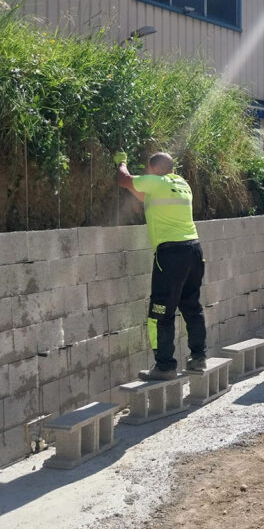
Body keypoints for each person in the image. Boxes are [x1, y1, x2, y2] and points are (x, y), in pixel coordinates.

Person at [115, 150, 207, 380]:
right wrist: (133, 187)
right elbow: (147, 198)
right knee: (191, 306)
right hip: (194, 250)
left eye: (148, 169)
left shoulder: (157, 182)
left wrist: (122, 162)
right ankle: (199, 357)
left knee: (160, 311)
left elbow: (124, 180)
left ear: (154, 169)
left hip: (171, 254)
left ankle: (165, 366)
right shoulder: (182, 184)